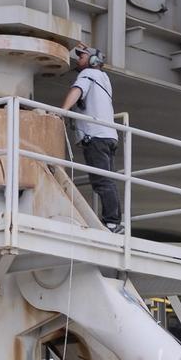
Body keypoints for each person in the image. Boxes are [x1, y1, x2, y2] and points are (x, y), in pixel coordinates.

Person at [61, 44, 122, 232]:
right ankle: (115, 221)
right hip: (108, 136)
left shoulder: (88, 75)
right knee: (108, 180)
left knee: (102, 181)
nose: (78, 59)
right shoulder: (104, 78)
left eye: (82, 56)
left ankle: (112, 222)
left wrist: (60, 112)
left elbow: (77, 91)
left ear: (94, 61)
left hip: (95, 136)